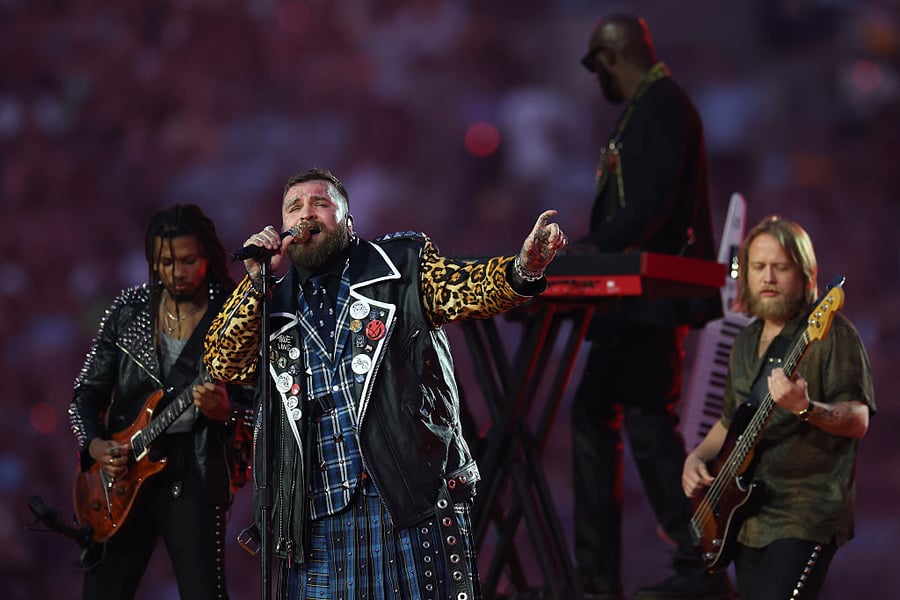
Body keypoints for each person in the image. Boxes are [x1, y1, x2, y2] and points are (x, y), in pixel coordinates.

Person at [202, 167, 567, 599]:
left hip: (407, 503)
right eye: (294, 207)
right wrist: (257, 283)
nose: (306, 215)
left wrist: (523, 269)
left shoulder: (401, 267)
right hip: (318, 518)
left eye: (320, 203)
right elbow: (221, 361)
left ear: (348, 221)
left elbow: (468, 290)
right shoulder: (270, 305)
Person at [570, 13, 732, 600]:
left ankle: (697, 563)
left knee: (643, 425)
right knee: (605, 417)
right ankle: (604, 576)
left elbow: (649, 208)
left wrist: (592, 251)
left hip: (650, 301)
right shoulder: (648, 107)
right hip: (633, 303)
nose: (598, 81)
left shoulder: (663, 106)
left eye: (598, 68)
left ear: (613, 57)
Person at [682, 216, 874, 599]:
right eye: (758, 267)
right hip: (746, 516)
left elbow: (858, 420)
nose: (767, 277)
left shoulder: (833, 334)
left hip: (805, 511)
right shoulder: (744, 341)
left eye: (780, 267)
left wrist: (805, 408)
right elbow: (729, 421)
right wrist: (695, 458)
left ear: (804, 273)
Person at [69, 204, 253, 599]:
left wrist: (227, 412)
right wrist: (97, 445)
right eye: (165, 262)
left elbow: (265, 400)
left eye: (188, 260)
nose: (176, 272)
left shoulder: (235, 314)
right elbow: (86, 393)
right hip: (120, 475)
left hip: (194, 470)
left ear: (209, 257)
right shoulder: (128, 311)